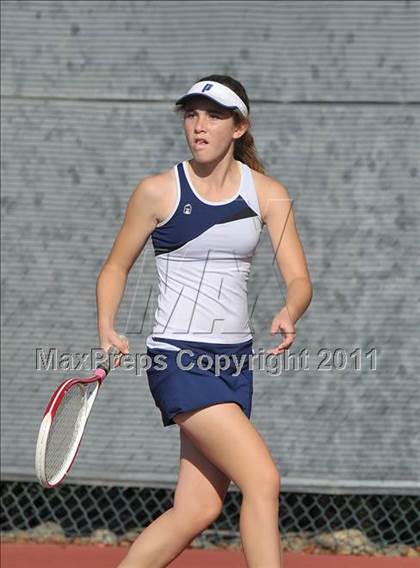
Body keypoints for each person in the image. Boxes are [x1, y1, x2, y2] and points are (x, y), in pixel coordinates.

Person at [96, 74, 313, 568]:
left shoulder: (268, 194)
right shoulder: (157, 191)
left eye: (214, 116)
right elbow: (114, 266)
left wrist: (290, 309)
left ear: (239, 127)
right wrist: (107, 322)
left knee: (198, 507)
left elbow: (299, 278)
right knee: (262, 479)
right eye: (192, 114)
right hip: (179, 360)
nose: (199, 125)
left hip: (235, 363)